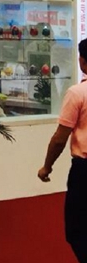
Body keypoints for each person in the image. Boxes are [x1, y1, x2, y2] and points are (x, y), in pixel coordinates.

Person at [38, 38, 87, 263]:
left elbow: (60, 138)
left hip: (84, 170)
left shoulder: (77, 93)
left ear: (82, 61)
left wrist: (47, 166)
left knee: (77, 228)